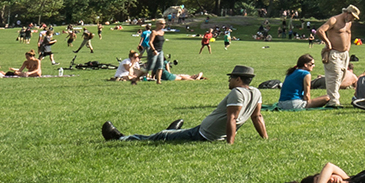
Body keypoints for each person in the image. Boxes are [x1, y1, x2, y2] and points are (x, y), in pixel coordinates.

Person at [102, 64, 266, 144]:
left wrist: (230, 144)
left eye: (231, 78)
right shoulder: (256, 92)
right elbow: (257, 117)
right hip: (209, 133)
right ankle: (173, 131)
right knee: (173, 134)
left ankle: (120, 138)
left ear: (238, 79)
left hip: (204, 135)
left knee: (161, 137)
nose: (229, 80)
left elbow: (232, 118)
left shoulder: (236, 93)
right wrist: (265, 138)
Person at [313, 5, 362, 108]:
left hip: (344, 54)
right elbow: (320, 31)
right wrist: (328, 43)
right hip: (334, 52)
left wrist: (348, 47)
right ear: (347, 13)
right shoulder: (334, 20)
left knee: (341, 76)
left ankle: (333, 98)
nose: (352, 19)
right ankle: (333, 101)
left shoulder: (349, 22)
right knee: (334, 76)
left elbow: (348, 33)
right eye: (352, 16)